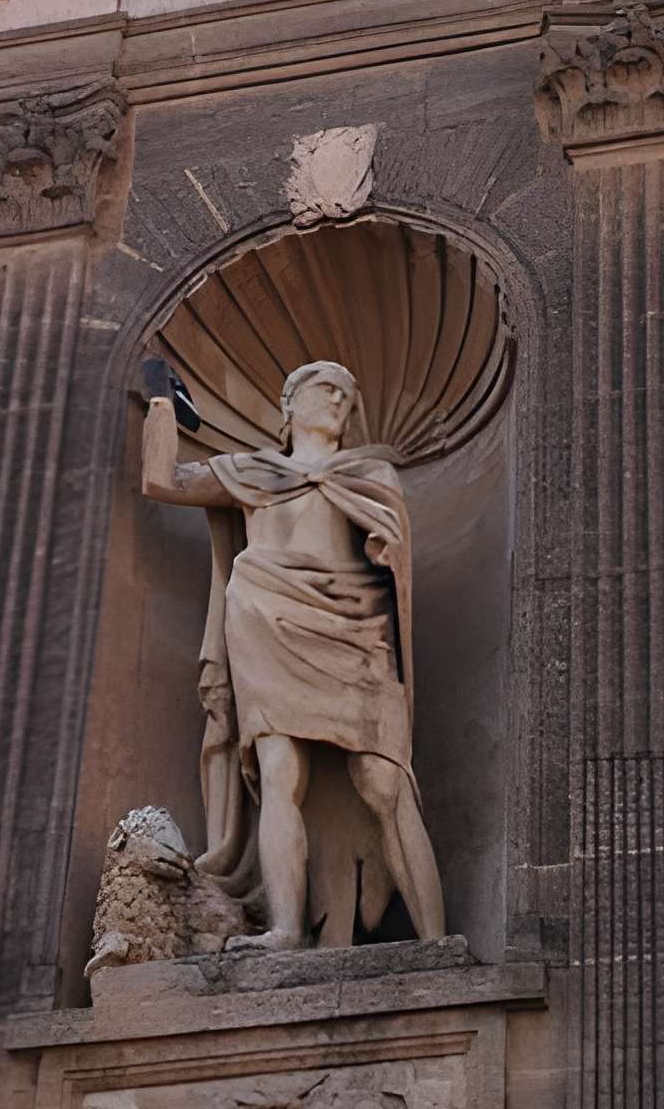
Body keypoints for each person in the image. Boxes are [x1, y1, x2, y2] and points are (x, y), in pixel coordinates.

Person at [142, 359, 444, 951]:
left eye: (347, 394)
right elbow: (162, 481)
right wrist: (159, 404)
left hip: (353, 628)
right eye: (325, 387)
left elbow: (395, 563)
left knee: (385, 779)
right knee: (280, 774)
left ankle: (438, 939)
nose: (339, 399)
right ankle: (284, 928)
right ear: (288, 404)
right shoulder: (250, 471)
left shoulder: (370, 472)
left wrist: (387, 548)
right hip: (265, 622)